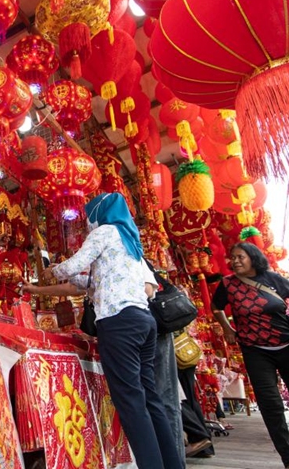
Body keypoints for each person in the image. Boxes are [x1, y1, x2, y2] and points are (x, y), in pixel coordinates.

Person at [28, 193, 182, 469]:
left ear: (100, 213)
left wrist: (53, 270)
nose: (87, 222)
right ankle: (172, 463)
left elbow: (75, 266)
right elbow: (86, 280)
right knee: (150, 398)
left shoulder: (105, 232)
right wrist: (55, 277)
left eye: (89, 215)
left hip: (119, 322)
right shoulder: (130, 242)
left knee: (131, 403)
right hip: (144, 322)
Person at [211, 242, 289, 469]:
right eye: (233, 257)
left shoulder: (273, 278)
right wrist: (228, 329)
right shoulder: (228, 284)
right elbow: (216, 307)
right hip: (255, 351)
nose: (235, 261)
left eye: (241, 257)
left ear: (253, 258)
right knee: (271, 406)